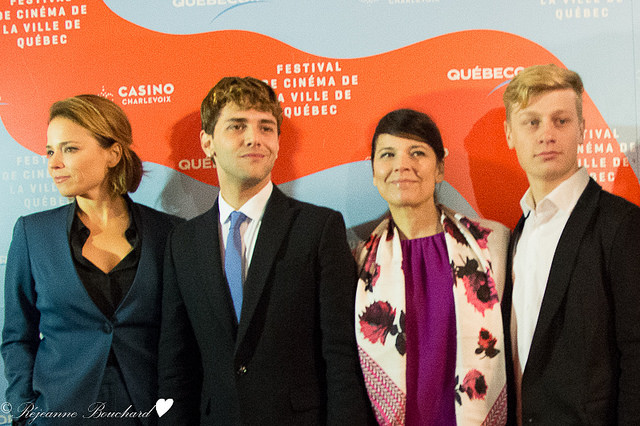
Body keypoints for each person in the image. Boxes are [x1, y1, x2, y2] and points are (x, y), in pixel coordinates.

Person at [157, 76, 372, 425]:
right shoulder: (182, 243)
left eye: (266, 127)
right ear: (207, 142)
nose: (254, 138)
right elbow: (175, 364)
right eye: (237, 126)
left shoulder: (318, 229)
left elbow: (341, 355)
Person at [1, 95, 182, 425]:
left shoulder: (168, 234)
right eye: (50, 151)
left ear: (113, 153)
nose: (54, 163)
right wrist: (23, 412)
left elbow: (181, 339)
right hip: (58, 414)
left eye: (69, 149)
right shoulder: (32, 234)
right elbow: (17, 337)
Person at [501, 64, 640, 425]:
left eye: (560, 121)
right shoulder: (517, 233)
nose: (546, 134)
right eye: (532, 122)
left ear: (582, 130)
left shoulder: (622, 225)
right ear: (509, 134)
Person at [354, 109, 509, 425]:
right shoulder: (354, 250)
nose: (402, 165)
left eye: (417, 153)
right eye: (388, 154)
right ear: (373, 170)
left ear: (440, 168)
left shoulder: (492, 243)